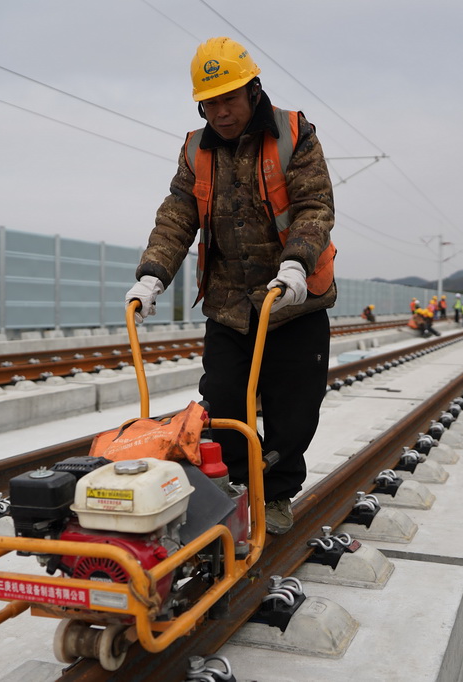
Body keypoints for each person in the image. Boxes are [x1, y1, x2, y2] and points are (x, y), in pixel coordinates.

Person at [124, 37, 336, 536]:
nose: (220, 112)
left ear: (253, 90)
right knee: (222, 401)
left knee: (293, 407)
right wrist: (153, 273)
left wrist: (297, 265)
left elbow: (314, 206)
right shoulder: (196, 149)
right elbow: (177, 215)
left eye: (229, 99)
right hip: (228, 304)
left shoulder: (294, 134)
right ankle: (241, 483)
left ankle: (279, 492)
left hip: (292, 301)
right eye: (210, 103)